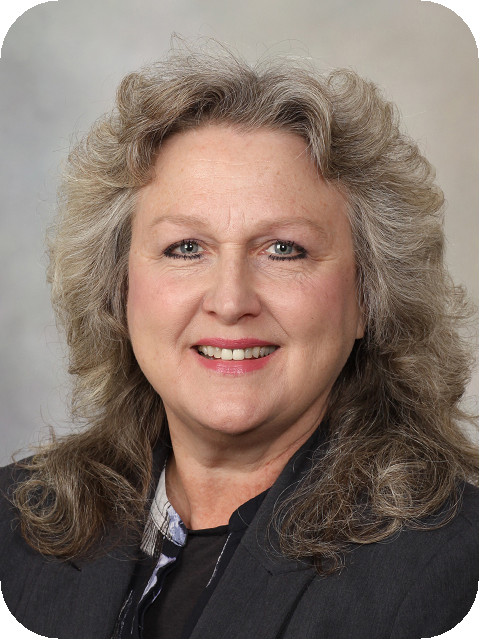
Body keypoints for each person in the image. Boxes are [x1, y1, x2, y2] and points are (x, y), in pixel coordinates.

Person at [0, 44, 478, 639]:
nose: (230, 301)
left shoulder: (455, 569)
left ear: (368, 296)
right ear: (118, 289)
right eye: (186, 248)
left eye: (284, 249)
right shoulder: (12, 524)